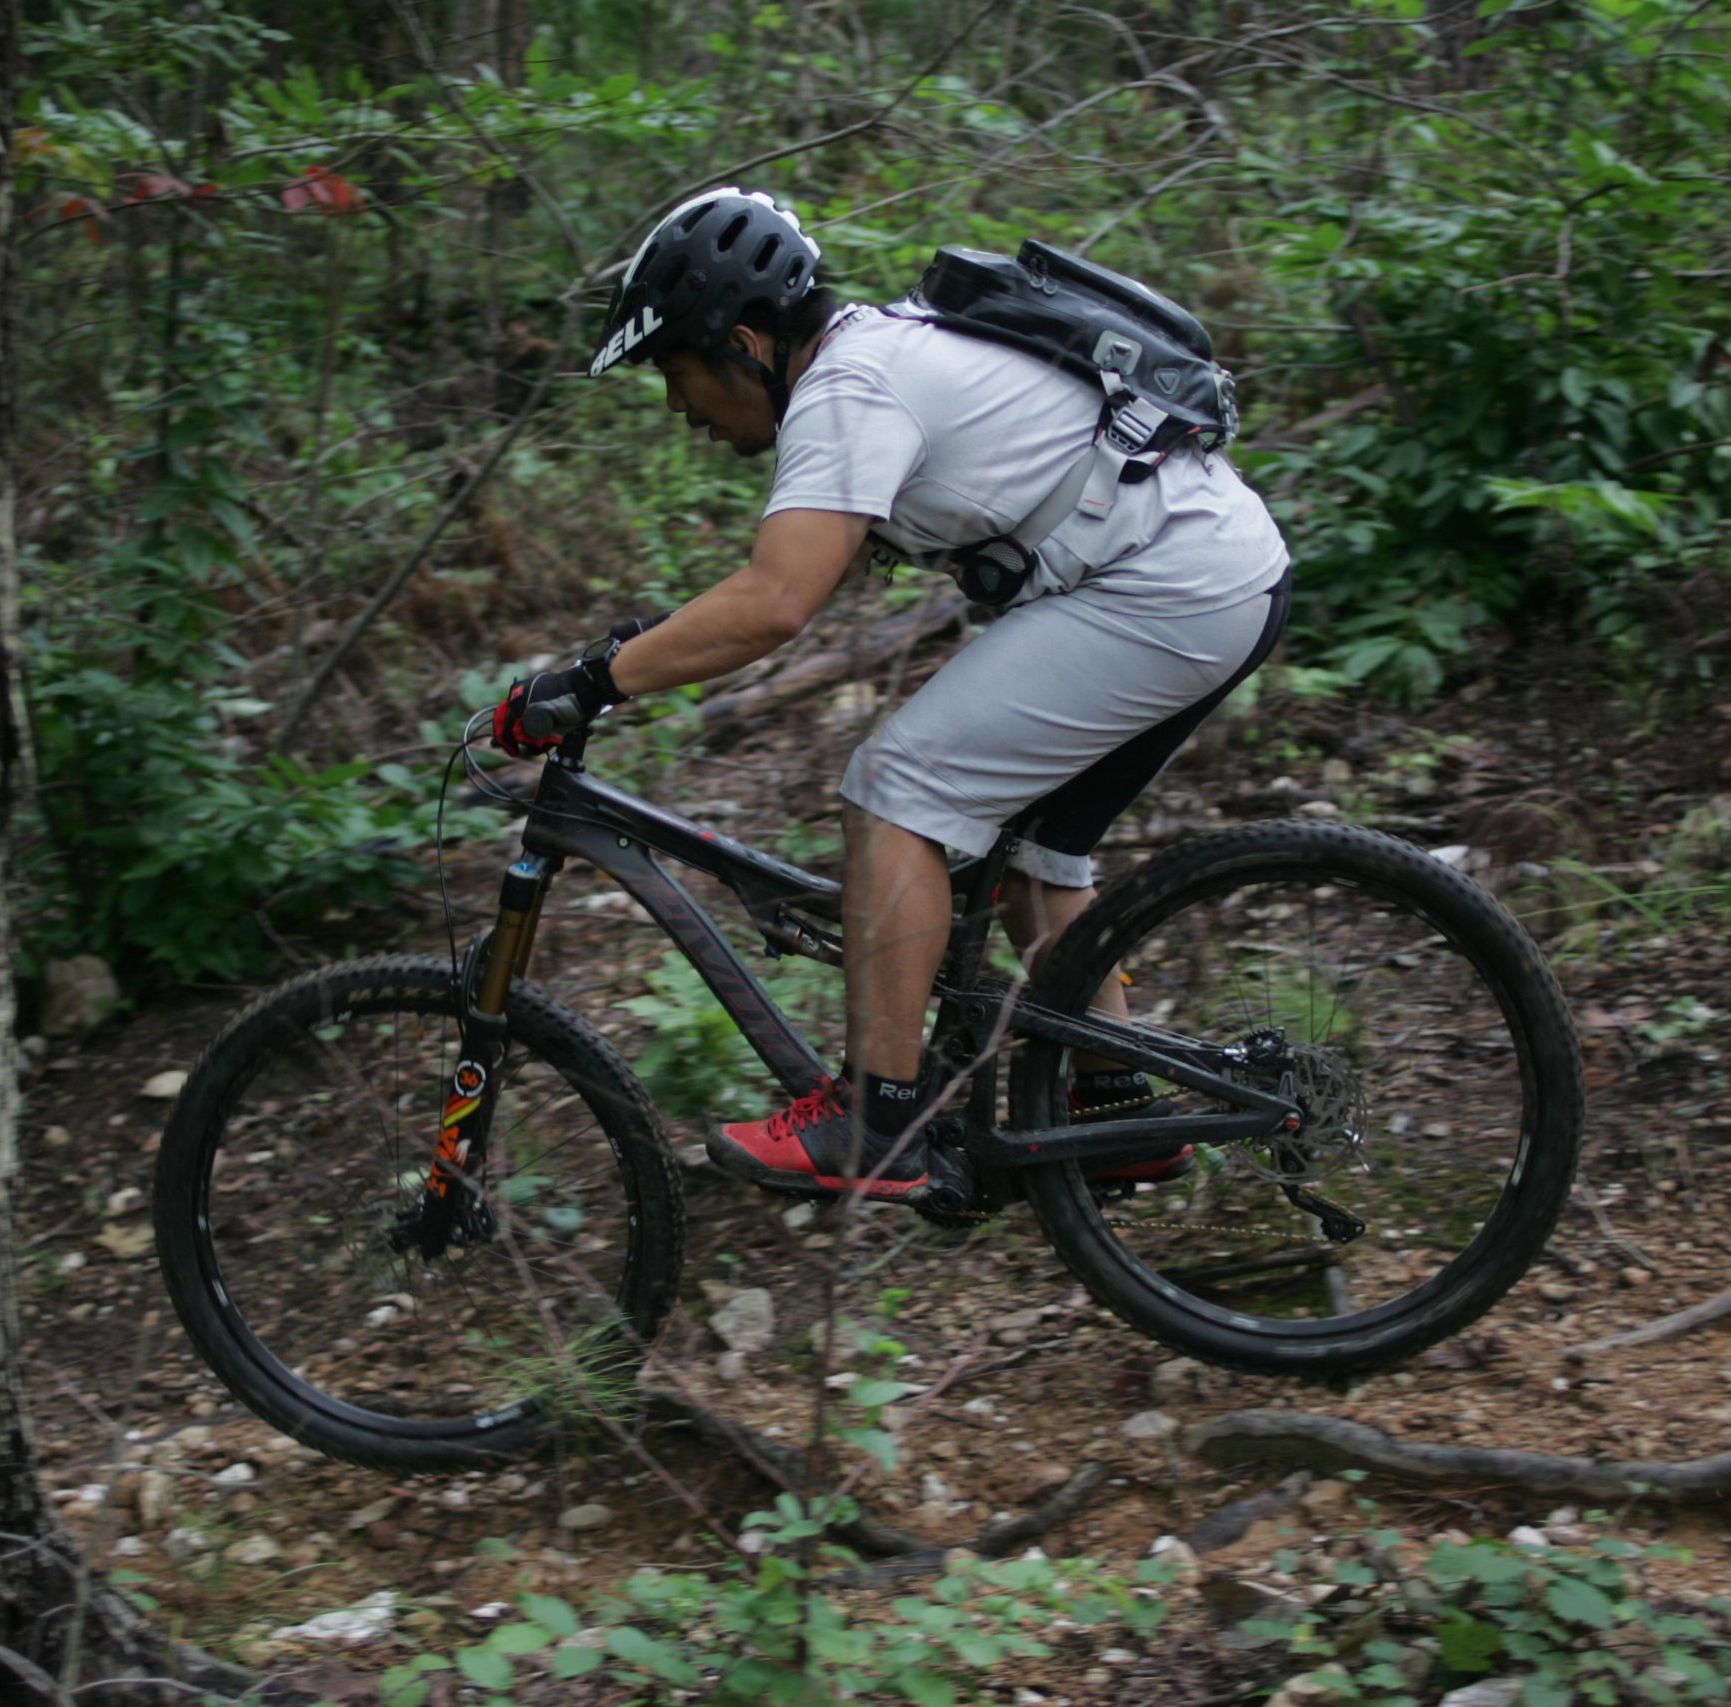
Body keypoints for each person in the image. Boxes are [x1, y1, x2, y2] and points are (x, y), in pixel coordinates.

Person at [490, 187, 1291, 1202]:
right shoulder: (877, 361)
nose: (679, 408)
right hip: (1210, 576)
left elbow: (774, 604)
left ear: (743, 344)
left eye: (679, 375)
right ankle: (1118, 1110)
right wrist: (637, 655)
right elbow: (785, 587)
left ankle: (879, 1118)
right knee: (1034, 857)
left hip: (1166, 588)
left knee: (894, 788)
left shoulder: (847, 388)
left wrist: (587, 686)